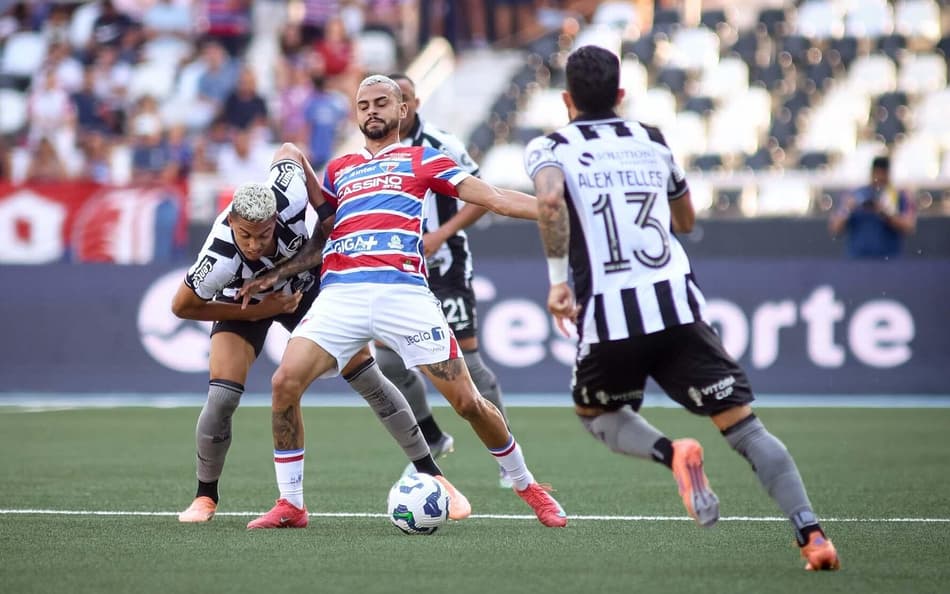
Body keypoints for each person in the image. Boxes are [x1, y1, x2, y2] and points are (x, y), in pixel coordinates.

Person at [524, 45, 839, 569]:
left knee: (596, 412)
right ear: (620, 94)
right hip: (677, 307)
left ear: (565, 99)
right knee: (745, 428)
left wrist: (559, 282)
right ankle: (813, 535)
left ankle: (674, 454)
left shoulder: (550, 146)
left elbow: (550, 199)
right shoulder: (651, 138)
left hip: (609, 317)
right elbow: (686, 220)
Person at [239, 75, 567, 529]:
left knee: (468, 402)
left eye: (381, 103)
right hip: (341, 295)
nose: (372, 111)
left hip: (403, 294)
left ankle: (527, 486)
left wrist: (551, 210)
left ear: (402, 110)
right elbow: (321, 239)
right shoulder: (338, 169)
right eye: (363, 105)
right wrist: (278, 273)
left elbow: (492, 197)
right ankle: (291, 504)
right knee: (283, 384)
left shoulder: (423, 159)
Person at [172, 142, 467, 525]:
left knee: (368, 377)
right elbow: (183, 307)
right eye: (246, 235)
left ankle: (435, 476)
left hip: (304, 288)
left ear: (277, 217)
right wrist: (263, 309)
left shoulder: (289, 194)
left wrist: (324, 211)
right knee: (222, 397)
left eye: (264, 234)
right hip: (244, 303)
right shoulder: (220, 258)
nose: (255, 244)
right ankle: (205, 496)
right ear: (231, 222)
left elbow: (290, 150)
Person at [376, 73, 514, 488]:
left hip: (445, 268)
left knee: (467, 363)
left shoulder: (441, 144)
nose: (395, 107)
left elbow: (482, 196)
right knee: (388, 362)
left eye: (402, 98)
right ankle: (432, 438)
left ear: (414, 103)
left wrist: (440, 234)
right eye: (387, 100)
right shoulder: (375, 149)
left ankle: (508, 457)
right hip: (399, 272)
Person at [829, 156, 916, 259]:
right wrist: (848, 209)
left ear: (888, 174)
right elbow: (835, 228)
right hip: (857, 259)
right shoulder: (855, 195)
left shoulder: (897, 196)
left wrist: (885, 213)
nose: (879, 178)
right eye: (877, 174)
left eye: (883, 174)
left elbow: (909, 227)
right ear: (871, 173)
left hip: (888, 260)